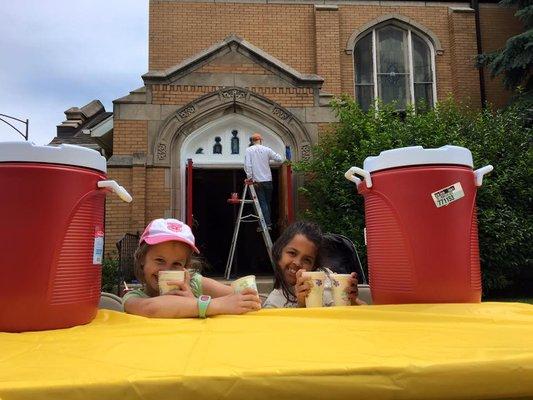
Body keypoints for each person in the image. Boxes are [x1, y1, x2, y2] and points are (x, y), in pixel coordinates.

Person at [123, 218, 262, 318]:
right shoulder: (133, 297)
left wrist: (248, 297)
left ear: (186, 267)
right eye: (160, 260)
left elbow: (241, 297)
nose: (167, 270)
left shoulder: (195, 283)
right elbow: (152, 309)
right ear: (142, 260)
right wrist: (203, 305)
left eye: (177, 264)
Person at [263, 221, 363, 308]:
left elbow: (365, 314)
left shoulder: (328, 278)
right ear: (278, 253)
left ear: (314, 266)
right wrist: (302, 305)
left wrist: (353, 301)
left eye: (307, 260)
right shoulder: (274, 303)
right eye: (292, 253)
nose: (297, 263)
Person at [244, 132, 283, 230]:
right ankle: (268, 223)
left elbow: (248, 165)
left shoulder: (249, 150)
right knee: (267, 203)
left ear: (252, 141)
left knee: (262, 203)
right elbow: (279, 159)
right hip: (268, 181)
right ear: (260, 140)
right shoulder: (267, 149)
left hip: (258, 182)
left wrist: (249, 177)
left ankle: (265, 225)